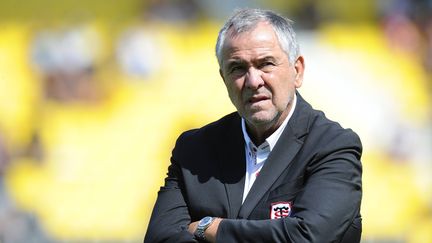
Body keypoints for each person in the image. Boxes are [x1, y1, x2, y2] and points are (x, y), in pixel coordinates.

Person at [144, 8, 362, 243]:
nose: (253, 81)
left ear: (297, 71)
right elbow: (160, 238)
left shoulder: (332, 146)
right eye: (237, 68)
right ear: (223, 78)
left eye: (266, 64)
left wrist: (213, 228)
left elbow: (308, 236)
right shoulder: (194, 150)